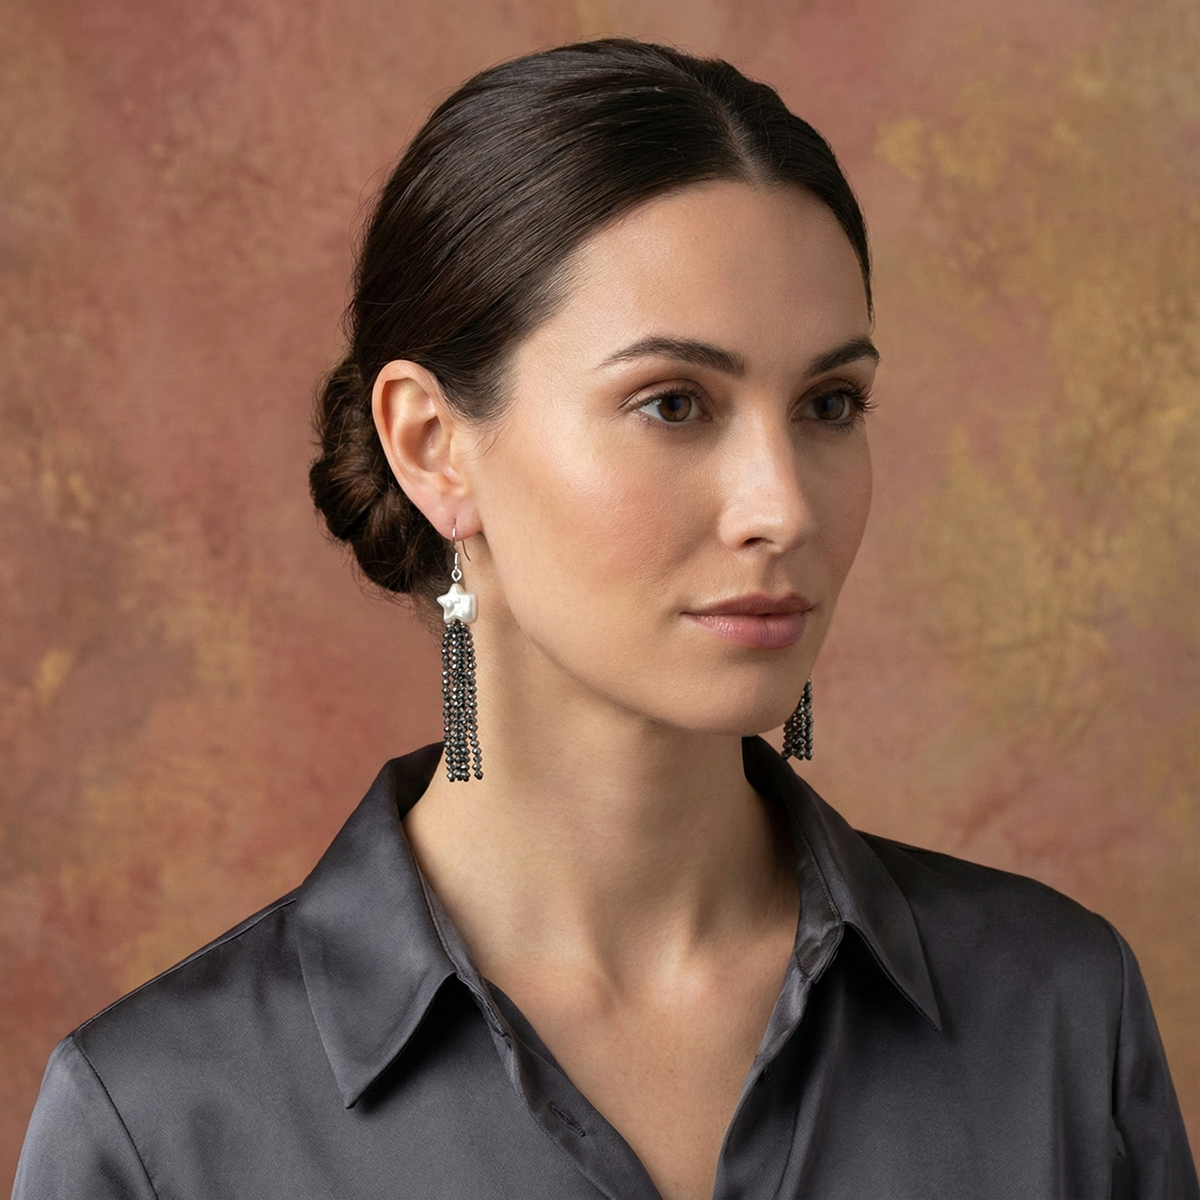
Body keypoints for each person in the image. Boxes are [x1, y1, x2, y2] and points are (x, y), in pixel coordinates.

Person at [13, 38, 1196, 1200]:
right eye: (673, 403)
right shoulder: (165, 1125)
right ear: (432, 446)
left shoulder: (1058, 1019)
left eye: (830, 404)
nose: (783, 507)